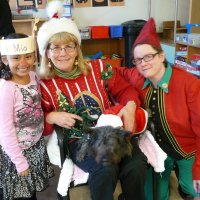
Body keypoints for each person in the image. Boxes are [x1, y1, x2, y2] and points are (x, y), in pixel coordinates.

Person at [36, 1, 147, 200]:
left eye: (69, 46)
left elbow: (126, 90)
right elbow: (41, 126)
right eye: (56, 47)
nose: (63, 53)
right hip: (79, 139)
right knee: (106, 168)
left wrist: (130, 106)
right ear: (47, 52)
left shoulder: (98, 68)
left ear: (77, 48)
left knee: (136, 164)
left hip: (112, 130)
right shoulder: (43, 83)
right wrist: (51, 116)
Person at [116, 17, 200, 200]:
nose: (143, 63)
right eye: (138, 60)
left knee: (194, 189)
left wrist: (198, 170)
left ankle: (185, 183)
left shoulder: (189, 84)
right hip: (157, 152)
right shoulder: (136, 75)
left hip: (188, 150)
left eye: (148, 57)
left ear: (161, 56)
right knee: (153, 196)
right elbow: (113, 72)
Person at [0, 33, 54, 200]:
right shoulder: (6, 89)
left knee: (30, 192)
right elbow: (5, 129)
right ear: (5, 60)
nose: (24, 63)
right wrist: (19, 161)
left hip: (34, 147)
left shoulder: (33, 76)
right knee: (18, 195)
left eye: (28, 56)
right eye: (16, 58)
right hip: (16, 153)